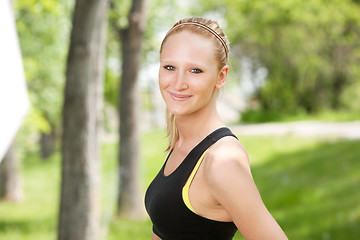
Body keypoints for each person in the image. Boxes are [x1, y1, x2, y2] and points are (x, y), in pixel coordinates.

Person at [145, 17, 288, 240]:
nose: (178, 82)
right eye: (170, 67)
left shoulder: (222, 161)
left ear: (220, 76)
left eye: (195, 71)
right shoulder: (183, 143)